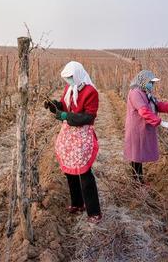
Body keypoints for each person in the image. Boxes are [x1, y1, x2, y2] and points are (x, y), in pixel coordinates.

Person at [44, 61, 102, 224]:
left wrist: (66, 116)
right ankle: (77, 203)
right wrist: (53, 105)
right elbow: (64, 105)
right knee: (70, 171)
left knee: (84, 172)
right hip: (68, 135)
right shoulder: (69, 89)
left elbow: (89, 117)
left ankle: (94, 212)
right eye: (66, 78)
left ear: (77, 75)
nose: (68, 80)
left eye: (70, 77)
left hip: (82, 135)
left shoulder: (91, 92)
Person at [123, 70, 168, 184]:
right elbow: (144, 111)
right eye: (151, 82)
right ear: (144, 81)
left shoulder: (145, 92)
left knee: (138, 155)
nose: (152, 85)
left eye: (153, 83)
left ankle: (138, 181)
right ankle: (137, 183)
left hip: (142, 128)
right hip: (136, 129)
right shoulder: (135, 93)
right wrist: (162, 123)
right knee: (136, 156)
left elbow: (157, 104)